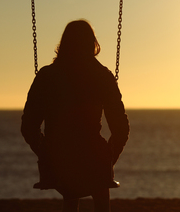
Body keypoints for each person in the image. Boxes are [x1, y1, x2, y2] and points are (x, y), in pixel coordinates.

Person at [21, 19, 130, 212]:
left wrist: (46, 153)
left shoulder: (47, 76)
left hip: (59, 158)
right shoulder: (102, 76)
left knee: (70, 185)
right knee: (99, 179)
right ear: (92, 44)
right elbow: (121, 128)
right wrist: (109, 158)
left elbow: (28, 126)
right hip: (93, 159)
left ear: (64, 44)